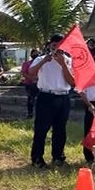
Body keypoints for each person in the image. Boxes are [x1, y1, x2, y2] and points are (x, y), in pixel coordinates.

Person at [28, 33, 75, 168]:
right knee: (41, 129)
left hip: (63, 96)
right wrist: (44, 61)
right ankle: (37, 158)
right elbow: (31, 73)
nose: (57, 47)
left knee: (60, 129)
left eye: (60, 45)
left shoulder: (69, 61)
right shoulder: (41, 59)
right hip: (46, 96)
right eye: (54, 44)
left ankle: (58, 157)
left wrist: (63, 64)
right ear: (49, 45)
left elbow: (72, 82)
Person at [21, 49, 40, 118]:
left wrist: (38, 79)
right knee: (30, 99)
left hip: (39, 84)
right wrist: (32, 78)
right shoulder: (26, 63)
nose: (36, 55)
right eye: (34, 54)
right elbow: (24, 73)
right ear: (31, 55)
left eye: (37, 54)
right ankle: (30, 113)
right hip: (29, 84)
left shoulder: (41, 63)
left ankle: (39, 113)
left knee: (40, 99)